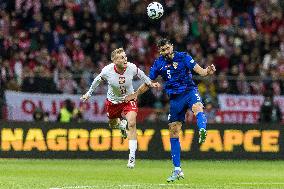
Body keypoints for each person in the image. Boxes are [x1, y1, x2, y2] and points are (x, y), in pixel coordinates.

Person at [125, 38, 216, 182]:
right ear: (160, 51)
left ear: (172, 47)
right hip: (175, 99)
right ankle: (177, 170)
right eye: (163, 50)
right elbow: (148, 82)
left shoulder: (184, 57)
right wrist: (135, 94)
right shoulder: (158, 64)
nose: (166, 52)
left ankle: (202, 129)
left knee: (198, 107)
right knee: (174, 131)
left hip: (189, 92)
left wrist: (208, 71)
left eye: (167, 48)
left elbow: (201, 71)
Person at [80, 48, 159, 168]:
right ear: (114, 60)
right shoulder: (107, 70)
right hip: (113, 102)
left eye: (125, 56)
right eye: (121, 57)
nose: (125, 59)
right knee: (112, 125)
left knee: (132, 123)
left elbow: (141, 74)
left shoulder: (131, 67)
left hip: (129, 99)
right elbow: (97, 80)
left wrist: (150, 83)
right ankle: (120, 125)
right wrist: (89, 93)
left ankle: (131, 157)